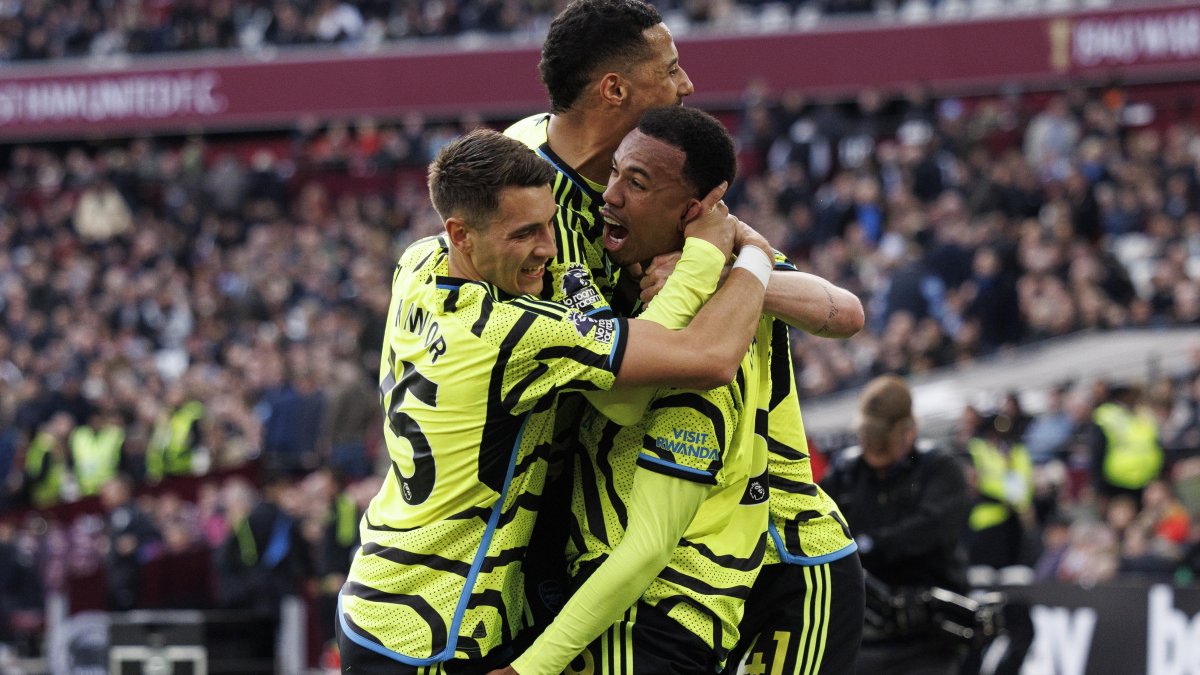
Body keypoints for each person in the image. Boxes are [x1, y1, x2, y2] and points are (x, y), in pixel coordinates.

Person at [505, 3, 866, 671]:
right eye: (671, 68)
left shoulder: (705, 234)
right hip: (668, 564)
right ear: (615, 90)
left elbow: (843, 313)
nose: (688, 83)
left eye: (635, 182)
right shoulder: (538, 188)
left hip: (781, 549)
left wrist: (739, 272)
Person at [336, 129, 775, 673]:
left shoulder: (418, 262)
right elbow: (706, 356)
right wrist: (744, 254)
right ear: (461, 234)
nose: (548, 247)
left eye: (549, 224)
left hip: (377, 590)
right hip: (435, 630)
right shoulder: (512, 334)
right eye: (524, 233)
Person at [491, 105, 775, 675]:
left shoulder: (706, 354)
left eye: (636, 183)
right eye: (614, 172)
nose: (609, 195)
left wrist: (532, 669)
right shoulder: (610, 287)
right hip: (610, 614)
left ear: (693, 212)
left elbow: (646, 544)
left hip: (655, 621)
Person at [821, 374, 972, 675]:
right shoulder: (847, 473)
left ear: (908, 430)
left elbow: (930, 531)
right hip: (862, 633)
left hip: (927, 637)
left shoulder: (940, 469)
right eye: (867, 437)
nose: (872, 447)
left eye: (880, 440)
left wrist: (863, 545)